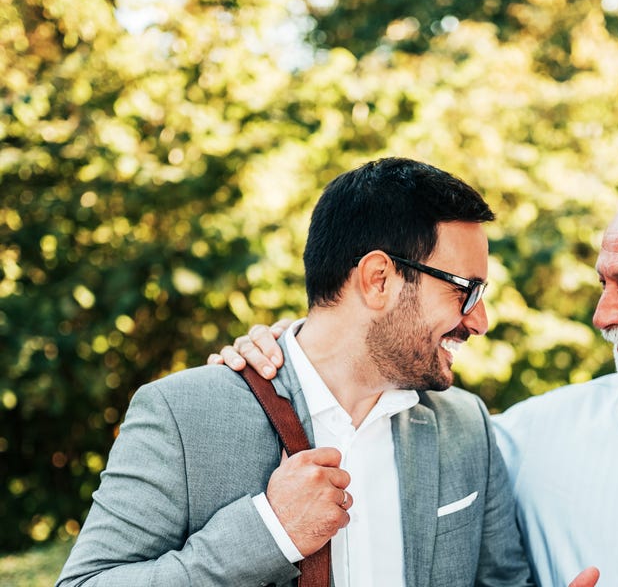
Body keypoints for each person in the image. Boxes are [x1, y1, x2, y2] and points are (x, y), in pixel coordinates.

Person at [214, 163, 618, 586]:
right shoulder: (519, 436)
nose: (603, 314)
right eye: (604, 282)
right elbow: (357, 359)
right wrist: (290, 355)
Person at [57, 157, 545, 586]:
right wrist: (270, 533)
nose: (480, 321)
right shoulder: (183, 416)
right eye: (467, 291)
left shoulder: (465, 426)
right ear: (379, 280)